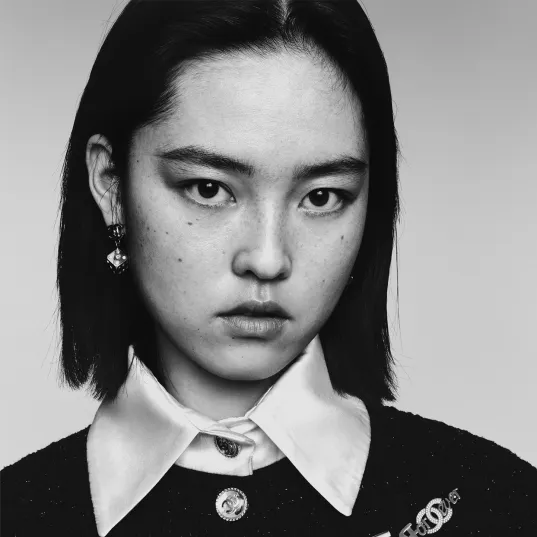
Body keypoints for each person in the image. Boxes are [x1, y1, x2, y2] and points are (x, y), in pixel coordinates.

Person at [1, 1, 536, 536]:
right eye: (209, 189)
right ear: (111, 184)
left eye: (321, 197)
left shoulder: (500, 507)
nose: (267, 258)